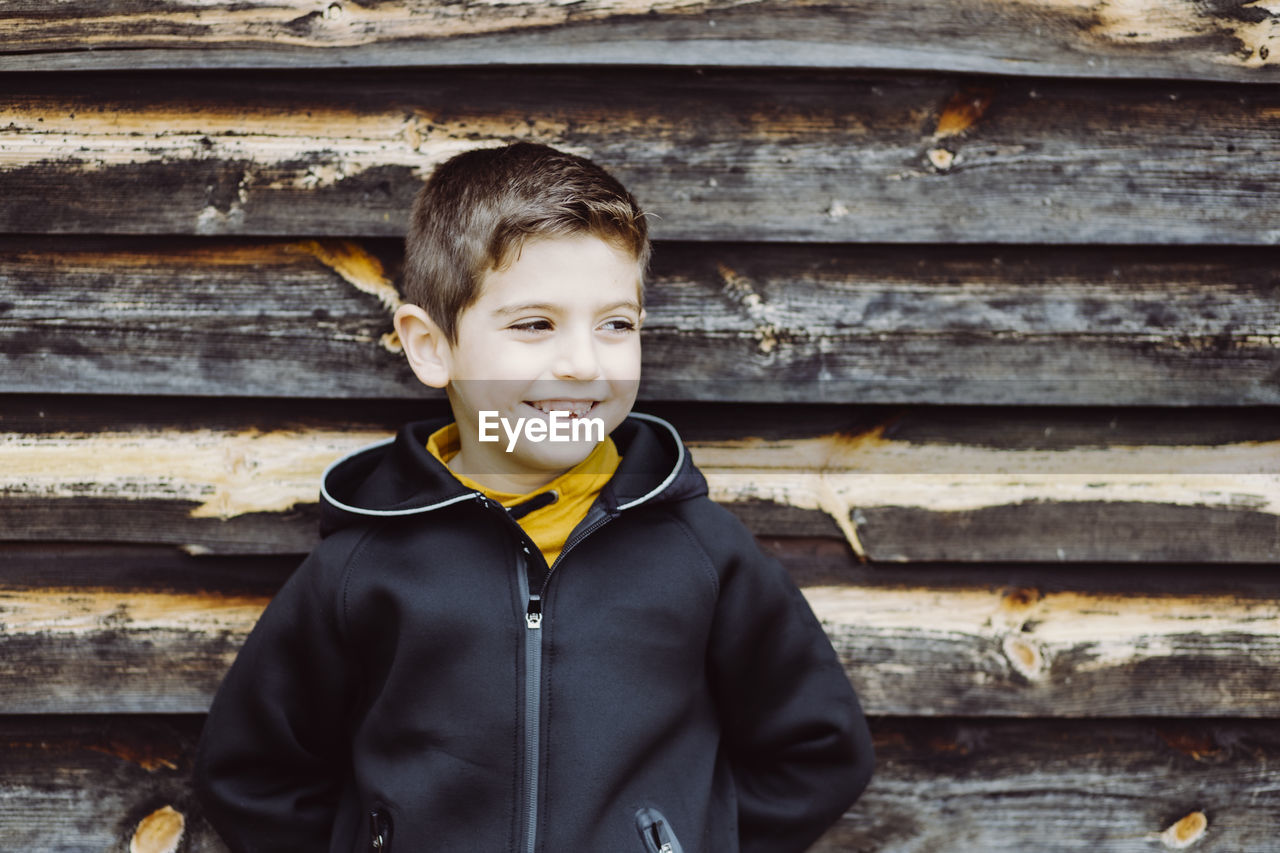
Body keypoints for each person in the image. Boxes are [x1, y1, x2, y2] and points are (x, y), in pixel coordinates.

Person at [192, 141, 873, 853]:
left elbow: (820, 750)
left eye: (615, 323)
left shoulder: (701, 552)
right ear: (430, 346)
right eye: (535, 324)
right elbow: (251, 773)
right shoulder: (362, 566)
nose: (582, 363)